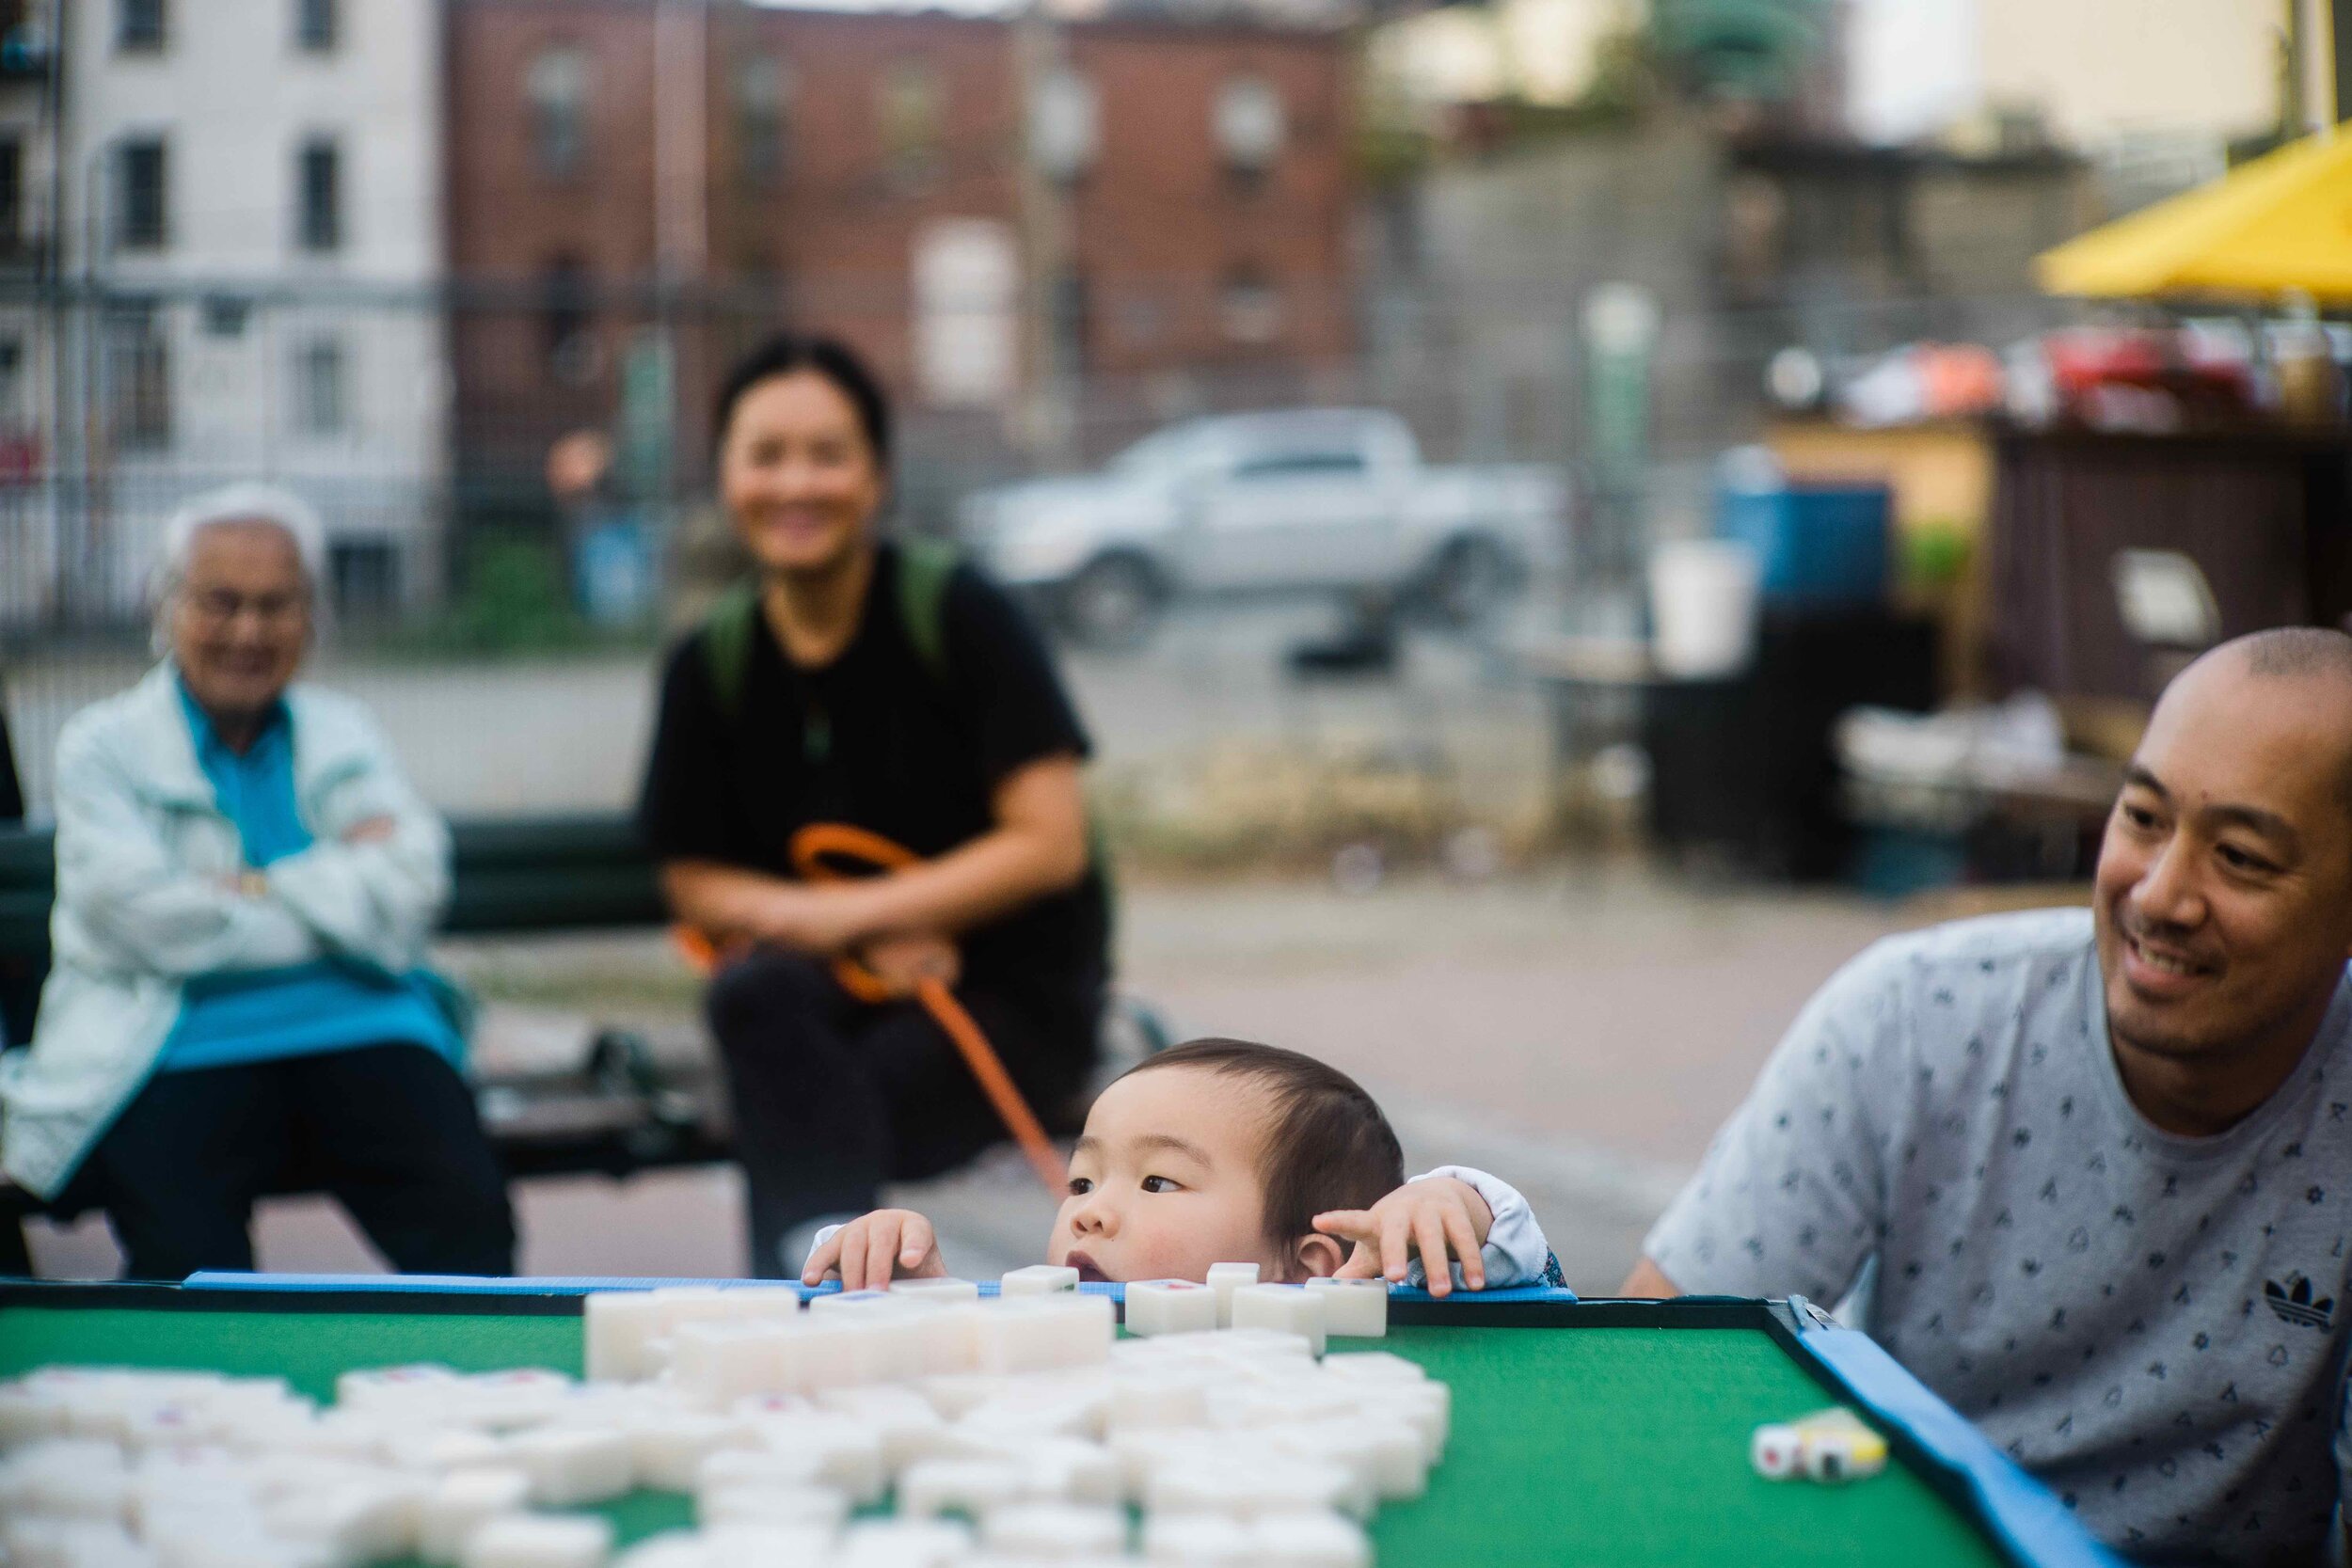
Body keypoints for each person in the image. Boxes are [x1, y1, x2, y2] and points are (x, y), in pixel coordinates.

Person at [1626, 627, 2352, 1561]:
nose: (2160, 893)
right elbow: (1654, 1369)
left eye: (2242, 857)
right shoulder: (1916, 1014)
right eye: (2141, 817)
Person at [638, 334, 1110, 1278]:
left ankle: (805, 1297)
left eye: (827, 453)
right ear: (726, 473)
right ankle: (832, 1289)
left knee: (813, 1095)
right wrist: (841, 937)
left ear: (877, 474)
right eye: (765, 454)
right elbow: (691, 876)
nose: (796, 483)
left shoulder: (962, 613)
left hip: (1006, 995)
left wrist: (872, 913)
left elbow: (1051, 842)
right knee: (753, 998)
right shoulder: (710, 662)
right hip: (829, 997)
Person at [0, 484, 515, 1280]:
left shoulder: (344, 730)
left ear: (309, 616)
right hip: (170, 1042)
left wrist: (246, 889)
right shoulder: (101, 746)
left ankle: (461, 1398)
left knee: (473, 1228)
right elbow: (140, 917)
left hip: (363, 1025)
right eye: (220, 601)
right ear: (166, 606)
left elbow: (412, 888)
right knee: (189, 1278)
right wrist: (333, 887)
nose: (248, 630)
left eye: (275, 604)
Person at [805, 1037, 1558, 1294]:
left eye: (1158, 1181)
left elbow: (1510, 1262)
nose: (1087, 1211)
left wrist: (1449, 1200)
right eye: (1082, 1180)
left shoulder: (1348, 1335)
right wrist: (902, 1284)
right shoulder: (1044, 1328)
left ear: (1311, 1267)